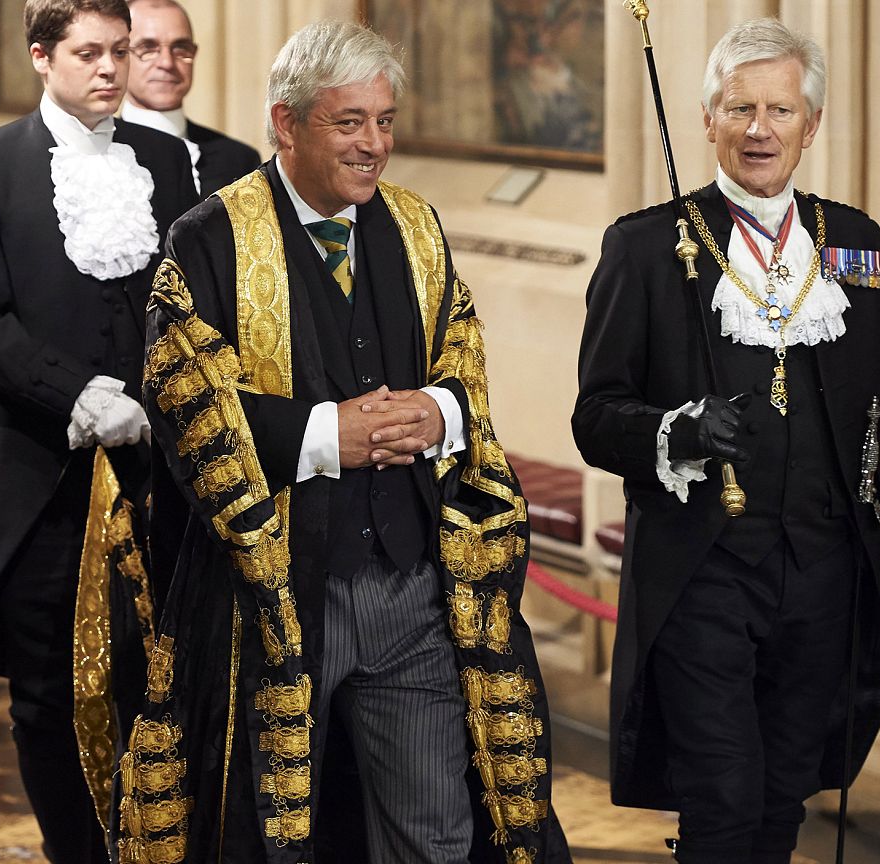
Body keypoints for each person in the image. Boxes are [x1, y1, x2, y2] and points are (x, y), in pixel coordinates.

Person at [120, 20, 571, 864]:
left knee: (434, 832)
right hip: (274, 599)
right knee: (269, 838)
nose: (374, 145)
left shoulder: (416, 226)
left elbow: (462, 354)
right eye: (349, 122)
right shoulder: (208, 239)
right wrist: (332, 434)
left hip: (410, 588)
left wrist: (442, 413)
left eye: (385, 120)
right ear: (285, 123)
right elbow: (187, 416)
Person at [572, 18, 880, 864]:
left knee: (784, 797)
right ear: (707, 119)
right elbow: (597, 416)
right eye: (739, 108)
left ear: (809, 126)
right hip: (703, 574)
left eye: (779, 111)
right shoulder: (644, 248)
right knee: (723, 800)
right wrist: (673, 430)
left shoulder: (853, 242)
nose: (759, 130)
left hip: (825, 571)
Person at [0, 1, 196, 861]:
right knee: (47, 692)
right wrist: (82, 395)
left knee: (158, 676)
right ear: (43, 57)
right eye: (90, 53)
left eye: (121, 51)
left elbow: (194, 302)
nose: (111, 68)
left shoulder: (163, 157)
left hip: (160, 475)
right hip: (45, 471)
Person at [122, 0, 260, 196]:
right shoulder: (97, 149)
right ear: (120, 55)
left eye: (180, 48)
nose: (167, 63)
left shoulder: (239, 160)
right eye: (148, 48)